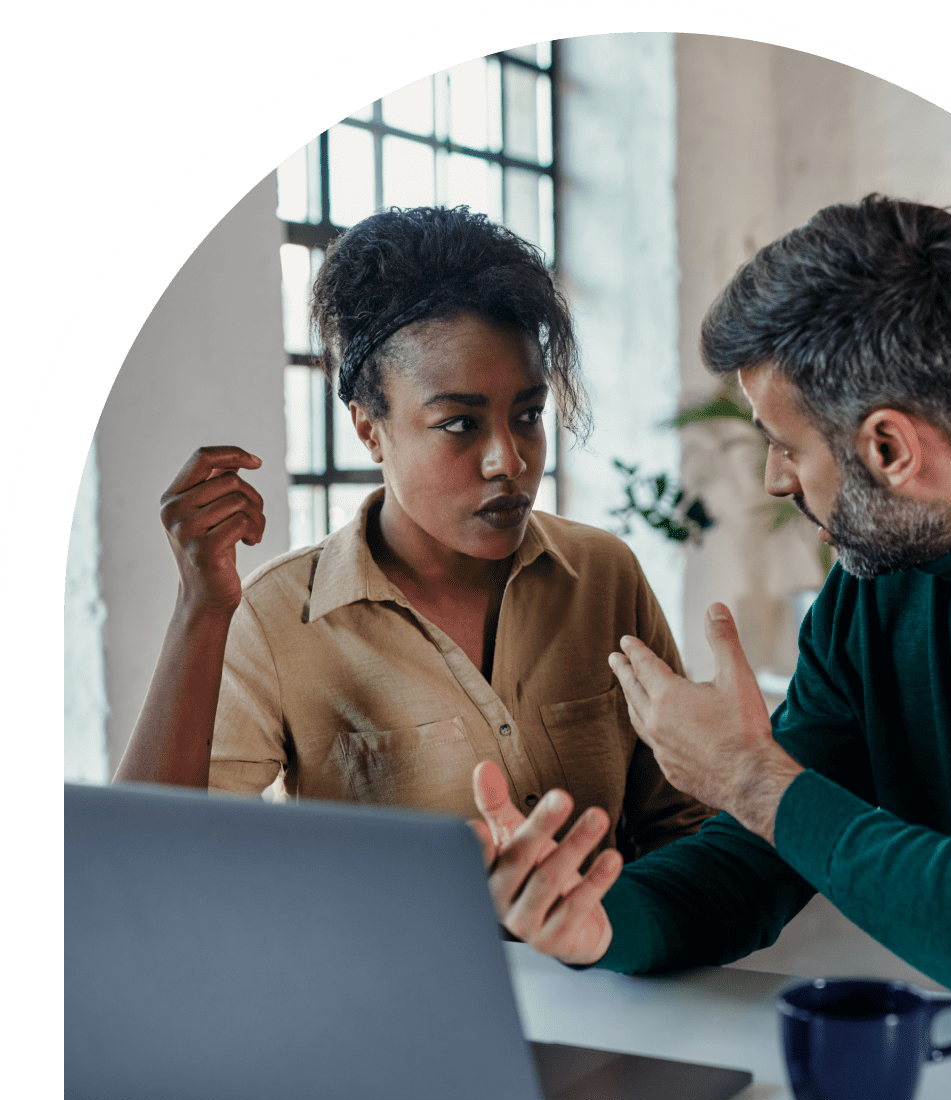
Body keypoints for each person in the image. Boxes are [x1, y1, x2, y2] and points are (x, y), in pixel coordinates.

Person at [474, 195, 951, 1055]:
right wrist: (598, 919)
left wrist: (749, 777)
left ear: (888, 450)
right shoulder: (877, 591)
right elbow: (760, 859)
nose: (773, 480)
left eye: (785, 445)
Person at [116, 206, 709, 862]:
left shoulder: (604, 575)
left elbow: (682, 827)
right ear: (370, 428)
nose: (507, 461)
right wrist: (200, 612)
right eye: (460, 423)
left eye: (529, 415)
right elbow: (144, 858)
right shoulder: (279, 620)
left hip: (608, 964)